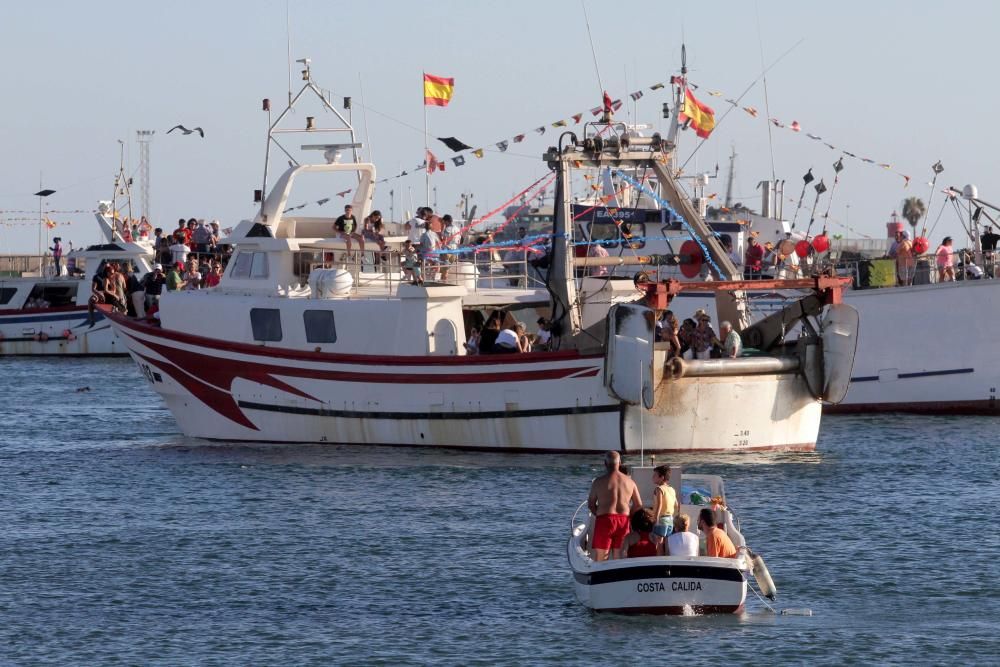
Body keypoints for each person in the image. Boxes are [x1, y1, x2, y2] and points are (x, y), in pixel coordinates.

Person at [587, 451, 642, 561]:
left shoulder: (598, 482)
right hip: (623, 521)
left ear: (605, 463)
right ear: (620, 463)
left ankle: (601, 577)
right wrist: (629, 516)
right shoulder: (630, 482)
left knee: (602, 558)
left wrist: (598, 513)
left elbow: (591, 504)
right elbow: (638, 504)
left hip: (604, 520)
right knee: (619, 557)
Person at [650, 465, 678, 546]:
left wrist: (655, 519)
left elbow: (659, 504)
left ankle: (659, 558)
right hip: (670, 520)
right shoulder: (672, 489)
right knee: (667, 544)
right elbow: (676, 505)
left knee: (658, 544)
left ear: (661, 477)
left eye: (655, 475)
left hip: (661, 519)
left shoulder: (659, 489)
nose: (653, 477)